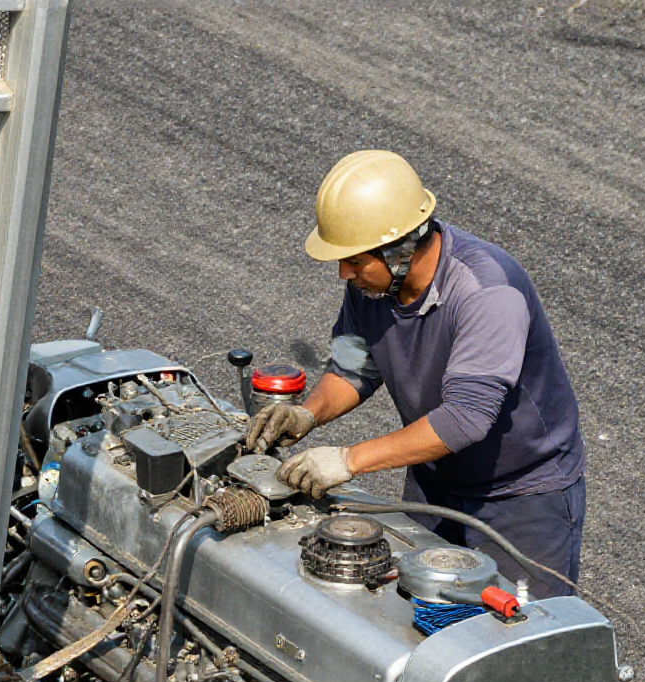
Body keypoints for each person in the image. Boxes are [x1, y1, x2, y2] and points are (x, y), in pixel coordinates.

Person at [244, 150, 586, 598]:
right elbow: (352, 365)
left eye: (356, 260)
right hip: (434, 477)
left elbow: (464, 419)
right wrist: (307, 415)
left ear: (399, 247)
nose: (344, 273)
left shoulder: (487, 291)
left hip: (521, 500)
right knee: (417, 618)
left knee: (518, 642)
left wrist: (346, 461)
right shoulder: (371, 286)